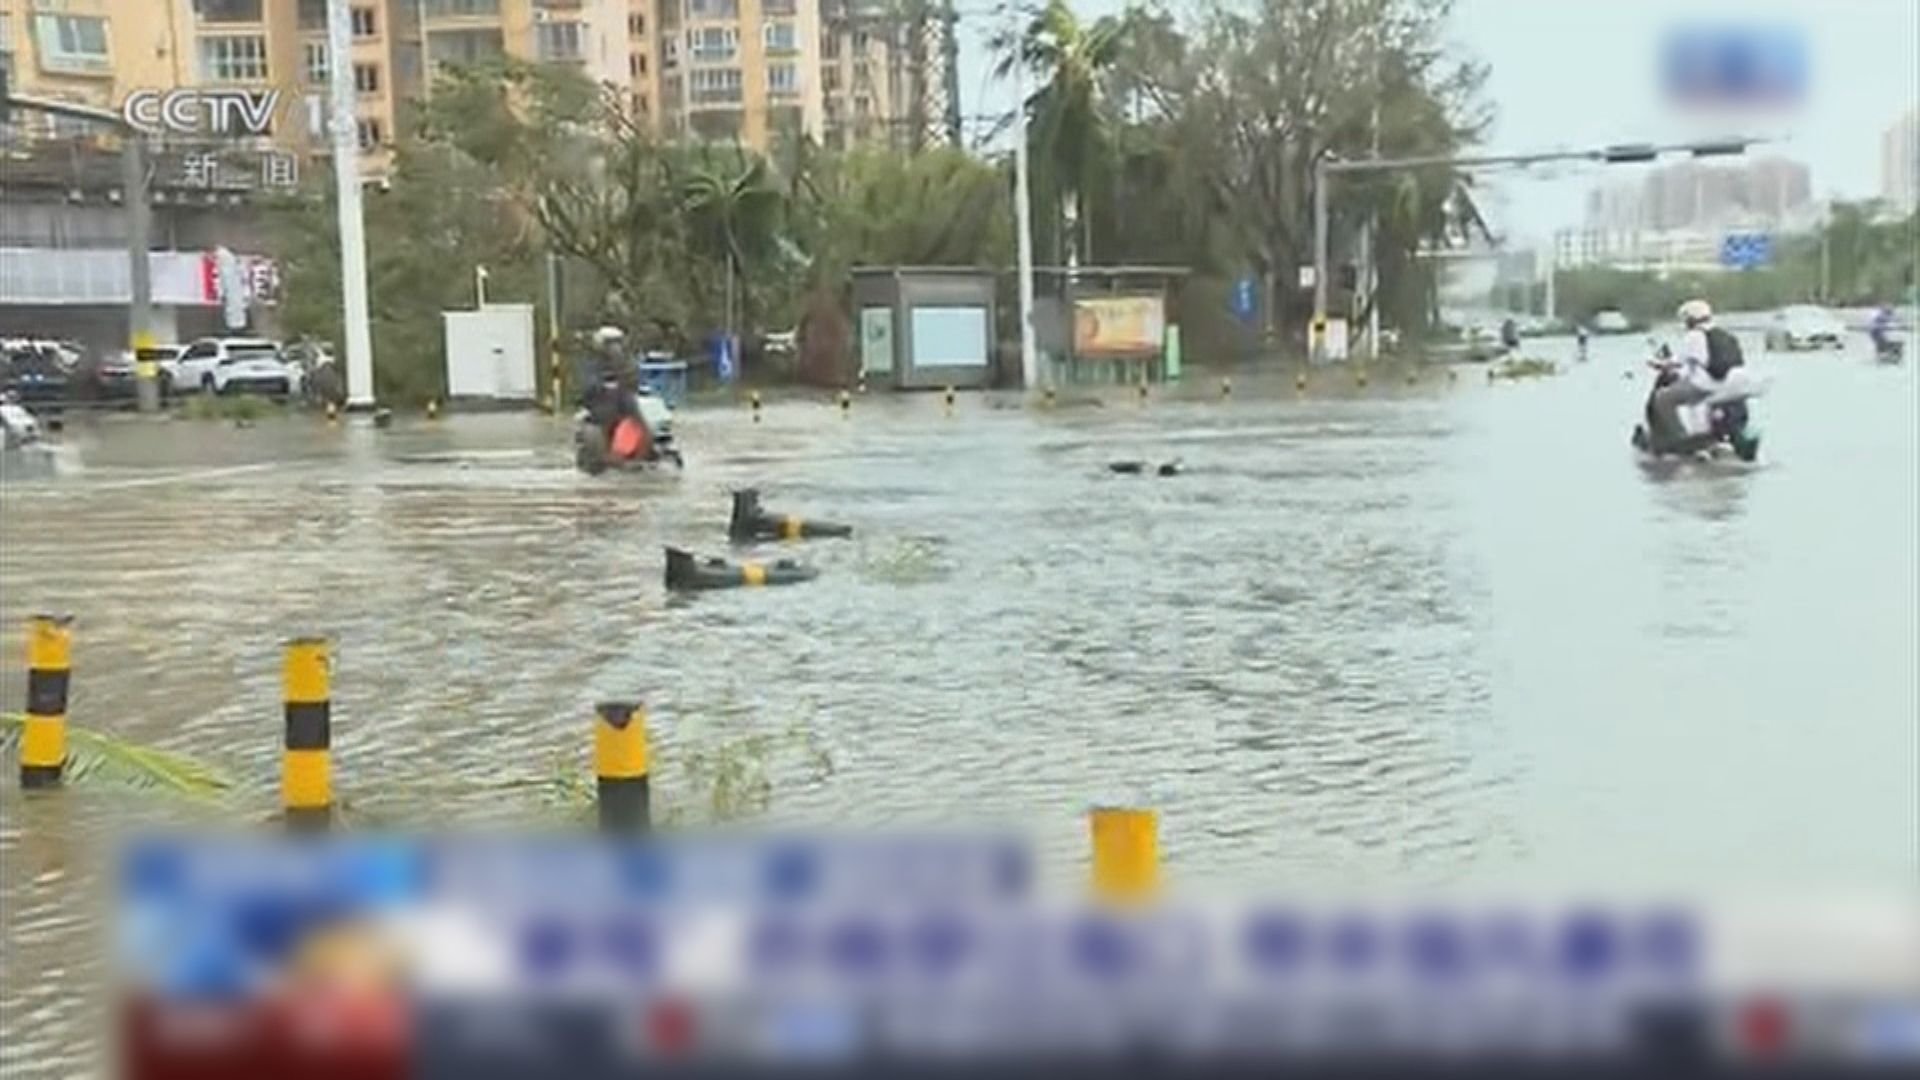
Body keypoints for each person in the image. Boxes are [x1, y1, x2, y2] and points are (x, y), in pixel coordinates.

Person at [1646, 299, 1725, 452]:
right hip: (1728, 383)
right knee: (1688, 397)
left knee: (1662, 398)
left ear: (1691, 318)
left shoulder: (1694, 335)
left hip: (1705, 385)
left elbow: (1677, 361)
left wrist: (1658, 364)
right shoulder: (1721, 334)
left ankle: (1680, 439)